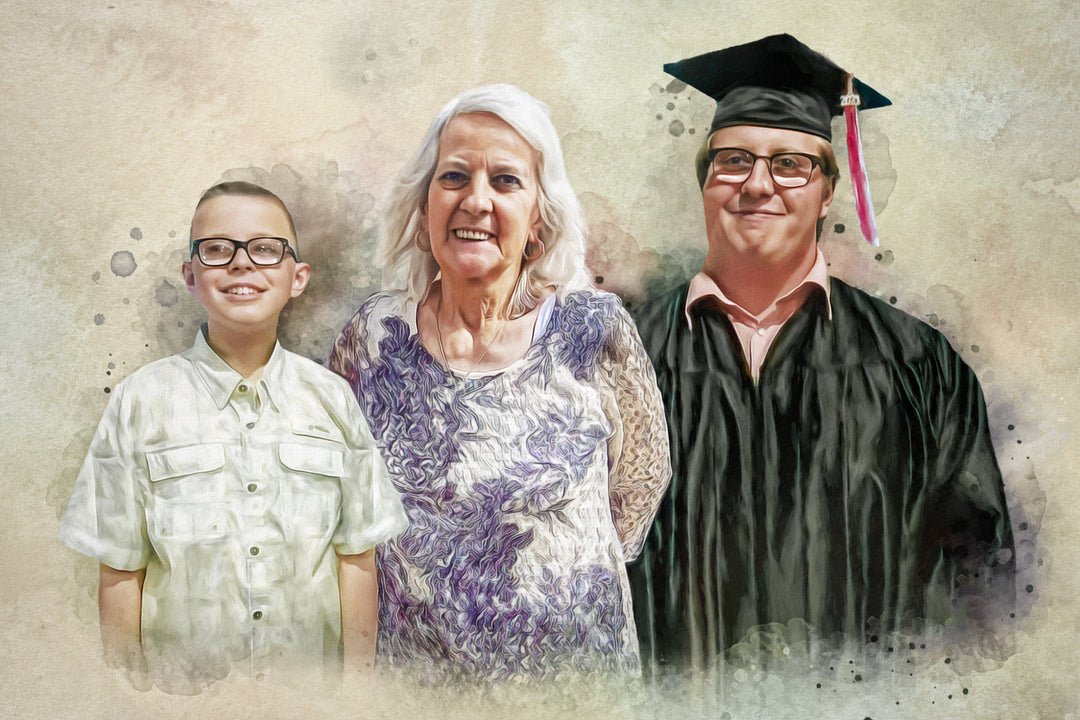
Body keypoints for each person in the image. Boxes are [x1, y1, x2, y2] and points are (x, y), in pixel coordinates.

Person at [627, 35, 1015, 673]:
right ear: (704, 182)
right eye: (733, 161)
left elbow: (979, 579)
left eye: (789, 165)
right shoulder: (624, 357)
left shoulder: (917, 364)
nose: (757, 185)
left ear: (828, 191)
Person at [327, 84, 671, 681]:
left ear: (539, 214)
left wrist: (560, 576)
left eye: (506, 181)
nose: (475, 201)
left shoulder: (593, 328)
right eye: (454, 177)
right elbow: (334, 497)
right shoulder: (373, 336)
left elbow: (641, 480)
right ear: (424, 202)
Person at [58, 181, 407, 692]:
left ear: (298, 277)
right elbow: (120, 572)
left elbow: (356, 560)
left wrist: (355, 697)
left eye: (266, 249)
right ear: (190, 275)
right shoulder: (139, 401)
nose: (242, 264)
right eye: (218, 249)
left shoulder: (334, 402)